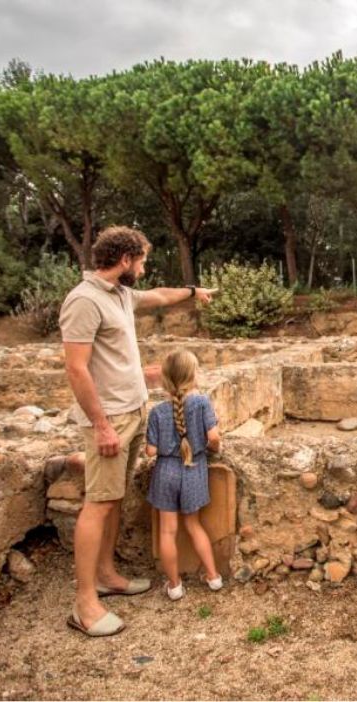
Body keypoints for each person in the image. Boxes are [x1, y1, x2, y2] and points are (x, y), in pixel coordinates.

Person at [60, 226, 216, 637]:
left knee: (112, 498)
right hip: (109, 419)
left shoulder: (121, 295)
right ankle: (84, 603)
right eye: (143, 261)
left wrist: (191, 291)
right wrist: (100, 425)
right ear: (125, 259)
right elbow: (76, 367)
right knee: (98, 502)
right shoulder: (84, 300)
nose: (145, 269)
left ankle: (108, 575)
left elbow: (160, 296)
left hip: (131, 413)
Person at [145, 349, 225, 600]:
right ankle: (213, 577)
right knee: (193, 525)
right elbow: (214, 438)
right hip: (194, 468)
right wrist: (212, 448)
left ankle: (174, 585)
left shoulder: (157, 411)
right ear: (193, 375)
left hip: (165, 471)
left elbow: (150, 451)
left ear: (166, 379)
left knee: (167, 531)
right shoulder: (201, 402)